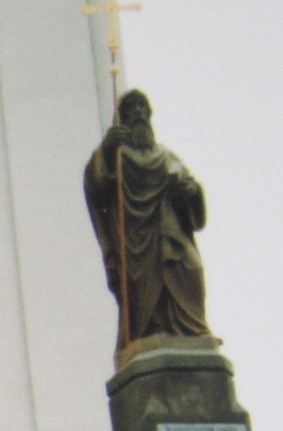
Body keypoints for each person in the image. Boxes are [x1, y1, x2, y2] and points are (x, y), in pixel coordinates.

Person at [83, 89, 211, 352]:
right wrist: (107, 151)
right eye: (132, 109)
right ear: (123, 118)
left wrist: (190, 191)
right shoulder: (117, 156)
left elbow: (189, 188)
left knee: (191, 268)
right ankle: (149, 335)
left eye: (143, 108)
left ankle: (191, 332)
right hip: (137, 241)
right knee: (144, 295)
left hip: (170, 233)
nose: (139, 113)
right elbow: (97, 185)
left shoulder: (165, 156)